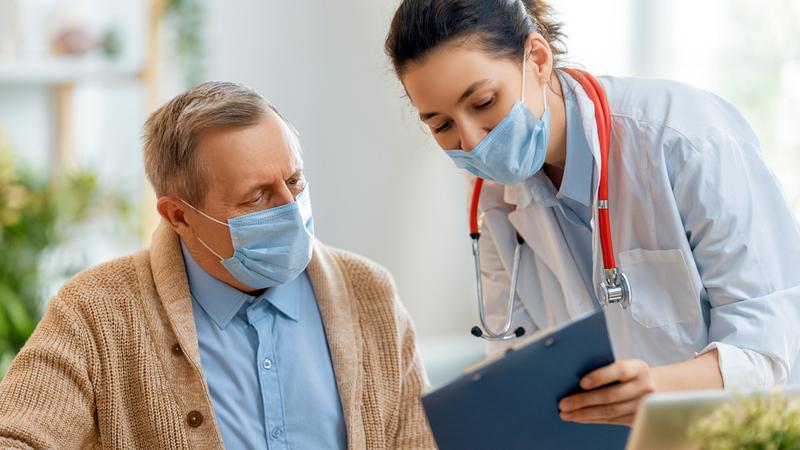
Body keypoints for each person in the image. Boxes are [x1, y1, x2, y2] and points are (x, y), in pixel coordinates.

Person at [384, 0, 800, 426]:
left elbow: (768, 346)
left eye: (484, 102)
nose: (470, 142)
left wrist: (658, 389)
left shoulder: (685, 140)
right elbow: (519, 368)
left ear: (538, 59)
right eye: (441, 126)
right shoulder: (496, 207)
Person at [0, 82, 435, 449]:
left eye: (294, 181)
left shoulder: (369, 293)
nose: (290, 209)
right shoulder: (96, 312)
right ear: (179, 216)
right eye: (257, 197)